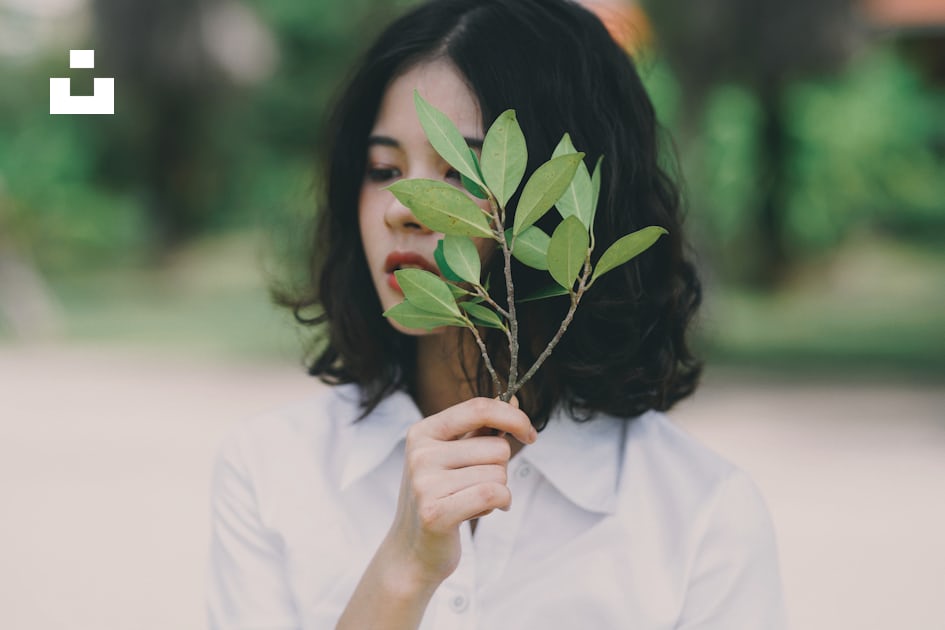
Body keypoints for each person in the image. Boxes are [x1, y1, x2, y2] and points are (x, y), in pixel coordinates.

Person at [207, 0, 787, 628]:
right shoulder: (273, 471)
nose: (404, 206)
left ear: (568, 207)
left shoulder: (701, 512)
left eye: (461, 171)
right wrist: (402, 574)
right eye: (383, 169)